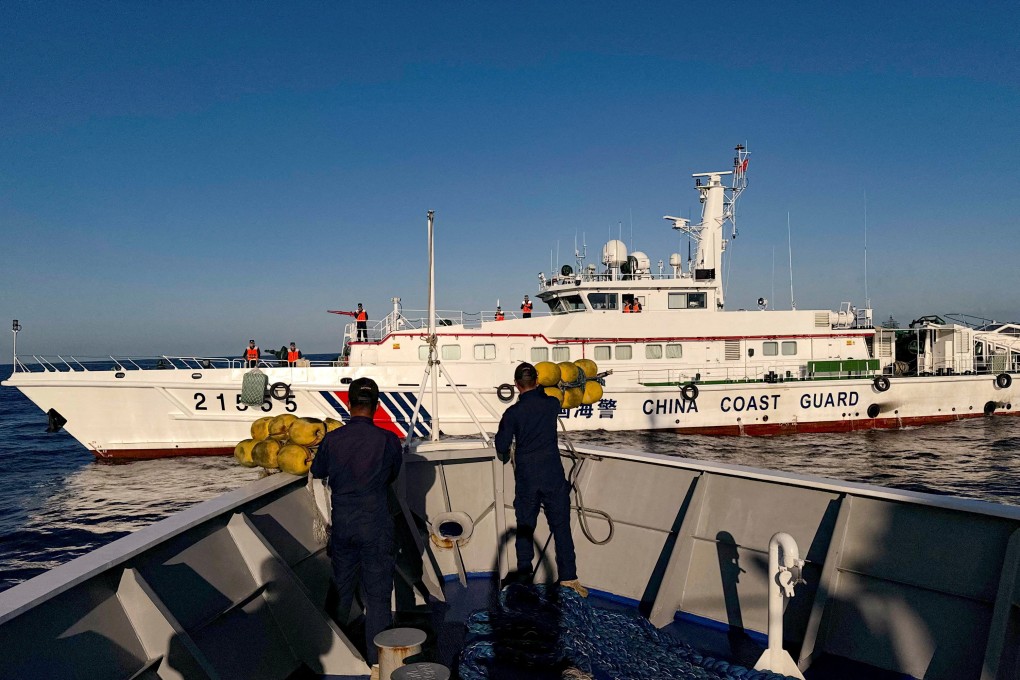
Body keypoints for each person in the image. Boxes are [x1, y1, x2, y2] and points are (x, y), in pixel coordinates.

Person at [311, 377, 403, 667]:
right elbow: (392, 476)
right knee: (377, 598)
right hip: (376, 524)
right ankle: (378, 664)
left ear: (348, 404)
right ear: (376, 407)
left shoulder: (332, 439)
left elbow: (318, 470)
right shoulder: (388, 440)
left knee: (340, 590)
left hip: (344, 526)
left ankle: (336, 661)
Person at [495, 363, 586, 597]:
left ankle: (524, 577)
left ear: (516, 385)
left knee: (525, 528)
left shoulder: (513, 413)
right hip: (553, 475)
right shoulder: (551, 404)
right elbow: (554, 396)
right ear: (537, 380)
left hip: (527, 478)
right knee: (561, 527)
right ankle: (569, 578)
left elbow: (502, 446)